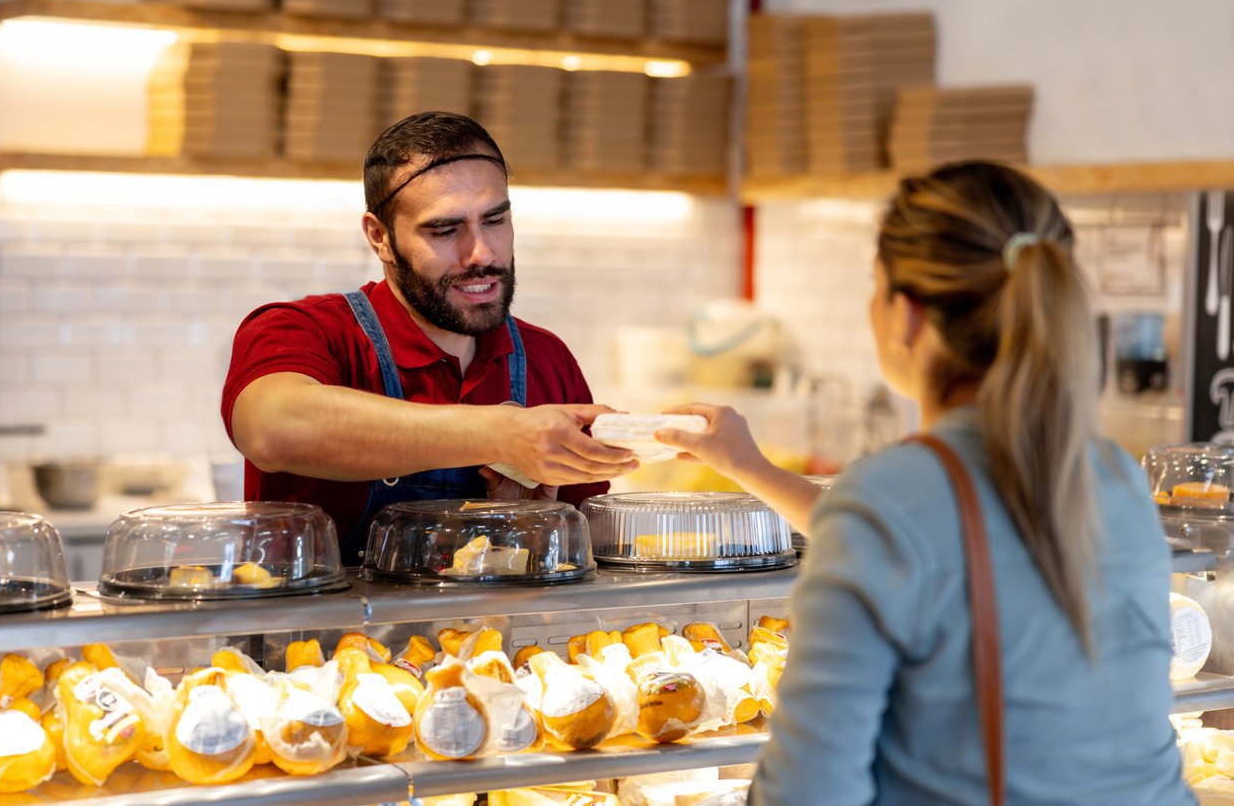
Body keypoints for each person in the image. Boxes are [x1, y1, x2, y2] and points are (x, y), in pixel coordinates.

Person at [657, 161, 1192, 805]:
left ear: (905, 316)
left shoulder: (890, 503)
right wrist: (752, 468)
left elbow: (808, 792)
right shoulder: (1111, 477)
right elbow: (940, 544)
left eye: (874, 286)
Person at [221, 111, 636, 565]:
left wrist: (535, 528)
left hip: (494, 636)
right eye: (444, 230)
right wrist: (504, 435)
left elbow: (589, 563)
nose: (481, 253)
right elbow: (275, 428)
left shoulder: (545, 357)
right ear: (379, 237)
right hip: (314, 636)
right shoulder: (306, 329)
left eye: (495, 221)